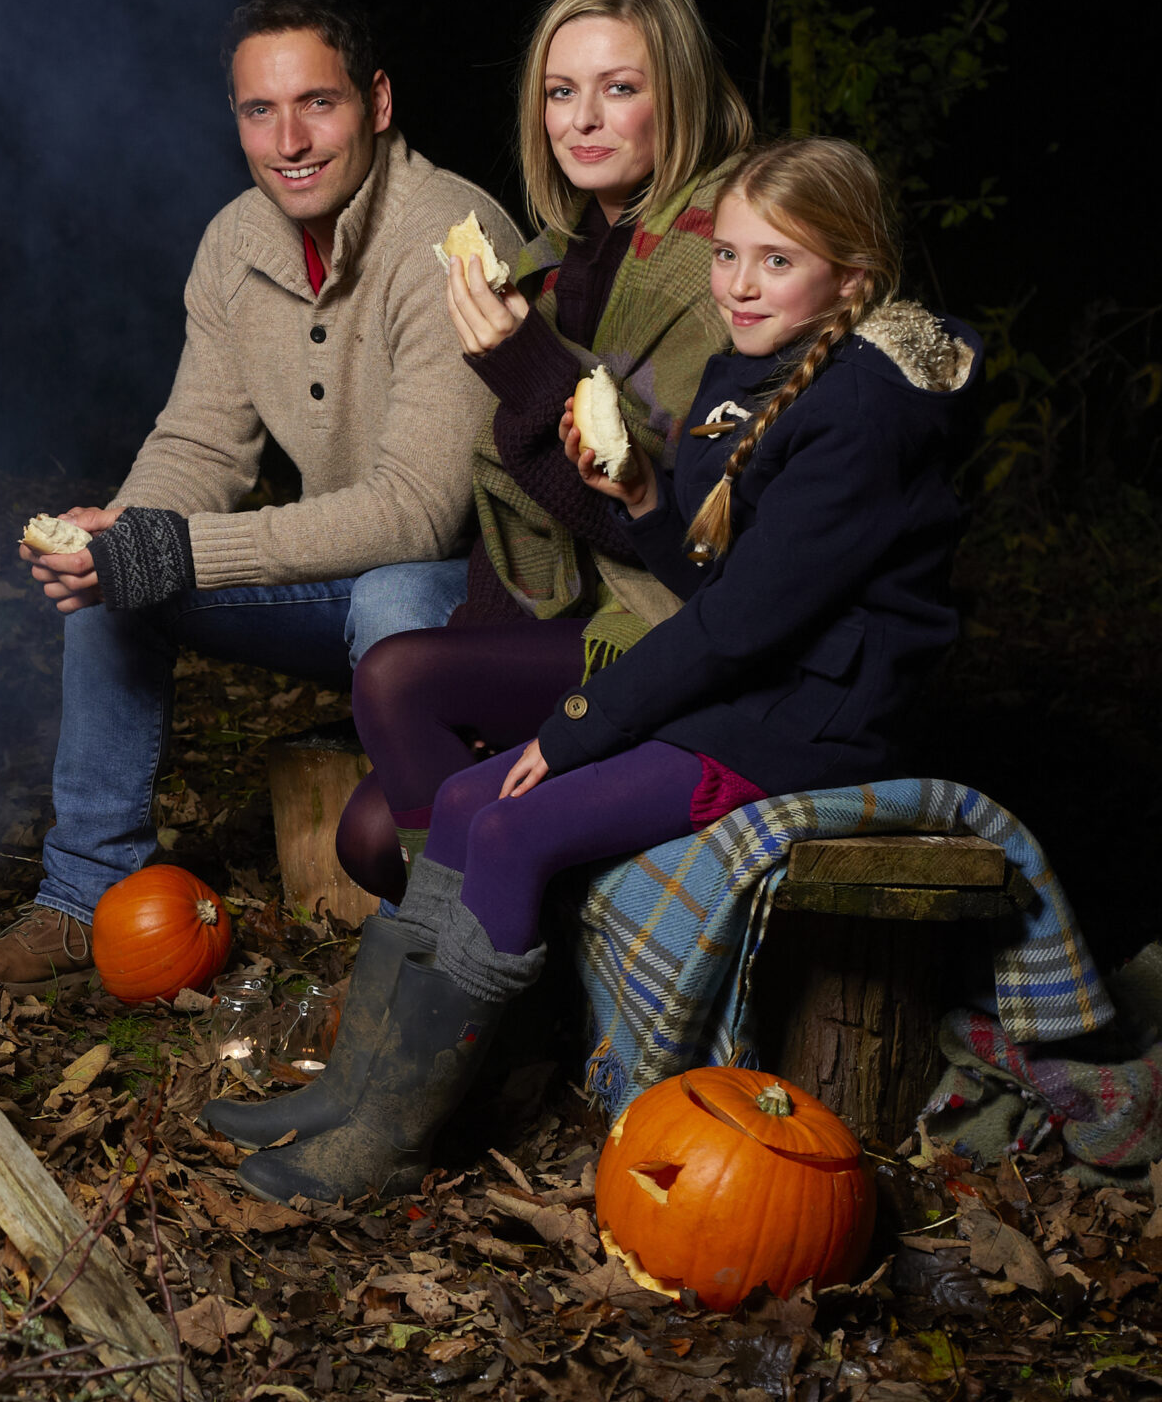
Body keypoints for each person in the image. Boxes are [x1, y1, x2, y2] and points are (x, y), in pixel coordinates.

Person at [211, 137, 976, 1204]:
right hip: (743, 678)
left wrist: (571, 730)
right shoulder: (741, 373)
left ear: (850, 278)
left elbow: (739, 630)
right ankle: (358, 1090)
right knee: (471, 799)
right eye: (728, 256)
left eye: (777, 263)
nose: (740, 286)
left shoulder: (859, 416)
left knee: (517, 818)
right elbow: (716, 580)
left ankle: (392, 1142)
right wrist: (644, 506)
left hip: (808, 718)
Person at [0, 0, 520, 989]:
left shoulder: (452, 234)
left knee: (387, 589)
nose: (288, 139)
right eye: (259, 111)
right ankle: (84, 898)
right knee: (117, 576)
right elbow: (201, 440)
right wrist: (122, 530)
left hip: (470, 599)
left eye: (318, 104)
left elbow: (420, 513)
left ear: (376, 103)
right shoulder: (235, 242)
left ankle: (424, 934)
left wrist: (177, 549)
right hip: (342, 588)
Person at [335, 0, 756, 906]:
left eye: (621, 88)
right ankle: (509, 928)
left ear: (676, 95)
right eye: (562, 92)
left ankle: (468, 977)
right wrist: (486, 682)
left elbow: (674, 533)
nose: (583, 120)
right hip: (563, 623)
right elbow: (510, 496)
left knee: (396, 678)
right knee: (368, 835)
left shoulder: (719, 267)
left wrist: (527, 366)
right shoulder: (555, 262)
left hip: (670, 629)